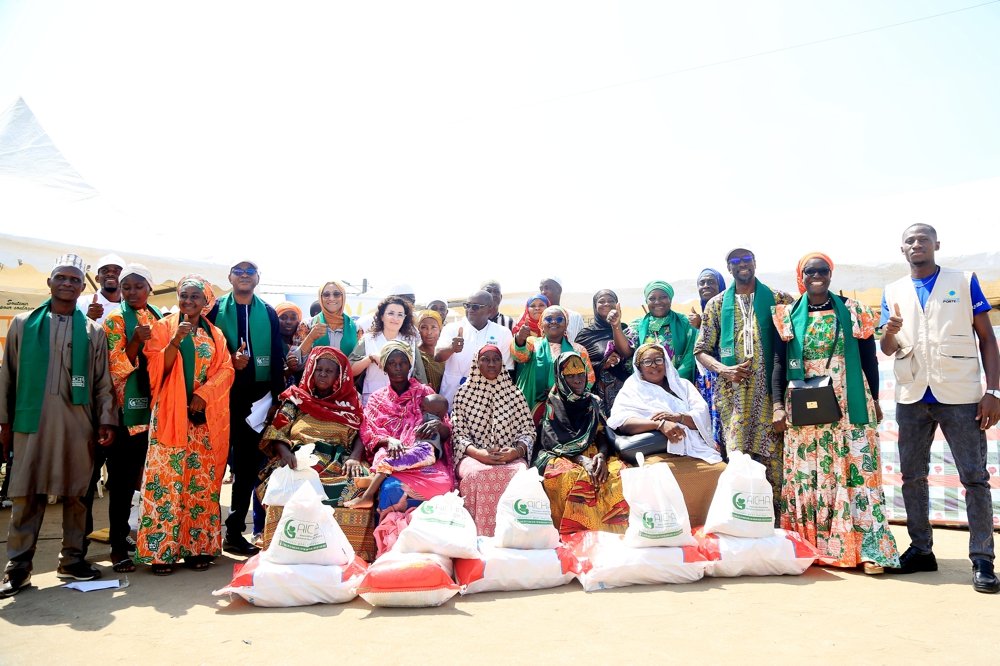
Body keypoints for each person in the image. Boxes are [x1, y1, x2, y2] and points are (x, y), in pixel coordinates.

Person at [879, 224, 999, 593]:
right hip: (913, 395)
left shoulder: (963, 281)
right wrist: (890, 330)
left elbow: (988, 339)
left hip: (961, 395)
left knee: (974, 477)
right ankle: (921, 550)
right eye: (910, 240)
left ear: (936, 245)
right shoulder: (892, 290)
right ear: (902, 249)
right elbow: (886, 348)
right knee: (912, 476)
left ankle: (982, 558)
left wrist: (992, 391)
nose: (917, 245)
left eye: (923, 239)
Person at [771, 253, 899, 574]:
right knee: (811, 475)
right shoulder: (786, 315)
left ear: (831, 274)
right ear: (801, 276)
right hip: (806, 406)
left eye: (823, 270)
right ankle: (810, 547)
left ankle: (869, 550)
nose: (817, 276)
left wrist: (876, 398)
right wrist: (776, 406)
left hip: (850, 402)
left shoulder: (854, 311)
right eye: (810, 271)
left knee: (858, 472)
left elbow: (869, 359)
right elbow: (778, 364)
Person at [0, 254, 116, 596]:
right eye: (61, 278)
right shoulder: (22, 324)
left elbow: (101, 382)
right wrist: (4, 422)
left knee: (77, 493)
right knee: (26, 494)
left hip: (77, 424)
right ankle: (17, 567)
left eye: (74, 280)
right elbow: (7, 376)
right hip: (30, 423)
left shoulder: (92, 331)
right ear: (49, 283)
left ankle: (72, 560)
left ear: (82, 288)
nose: (67, 283)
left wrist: (106, 419)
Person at [134, 275, 234, 575]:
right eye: (184, 296)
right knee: (166, 483)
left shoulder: (215, 334)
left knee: (199, 485)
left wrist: (203, 396)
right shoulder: (163, 327)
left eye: (195, 297)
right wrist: (176, 339)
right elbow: (154, 372)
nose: (188, 302)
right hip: (170, 416)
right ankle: (161, 552)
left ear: (206, 302)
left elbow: (226, 370)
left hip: (202, 421)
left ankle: (197, 548)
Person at [694, 248, 793, 502]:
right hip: (733, 398)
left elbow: (793, 342)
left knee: (774, 464)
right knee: (738, 461)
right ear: (729, 269)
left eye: (746, 259)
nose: (741, 265)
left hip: (772, 396)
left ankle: (775, 528)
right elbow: (701, 350)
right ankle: (742, 526)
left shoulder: (779, 299)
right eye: (735, 262)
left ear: (755, 263)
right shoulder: (716, 305)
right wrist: (723, 369)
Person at [207, 259, 284, 555]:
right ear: (229, 277)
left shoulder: (266, 312)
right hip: (221, 397)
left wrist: (277, 397)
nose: (243, 276)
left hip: (258, 400)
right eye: (238, 272)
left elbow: (276, 354)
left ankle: (235, 532)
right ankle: (203, 533)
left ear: (257, 279)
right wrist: (230, 360)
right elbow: (206, 349)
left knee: (246, 469)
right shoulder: (215, 310)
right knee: (213, 466)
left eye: (249, 272)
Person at [608, 343, 726, 525]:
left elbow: (702, 420)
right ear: (639, 367)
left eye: (658, 360)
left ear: (666, 363)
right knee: (659, 477)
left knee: (720, 471)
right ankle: (672, 528)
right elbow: (622, 422)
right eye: (647, 362)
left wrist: (677, 417)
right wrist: (660, 424)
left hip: (692, 449)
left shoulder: (684, 386)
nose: (654, 365)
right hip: (657, 451)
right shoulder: (632, 389)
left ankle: (707, 525)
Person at [96, 264, 163, 573]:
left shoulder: (160, 319)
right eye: (127, 287)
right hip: (126, 415)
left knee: (151, 482)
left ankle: (152, 541)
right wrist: (135, 340)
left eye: (138, 286)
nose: (132, 292)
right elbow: (117, 367)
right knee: (122, 485)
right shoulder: (115, 320)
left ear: (149, 288)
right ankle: (118, 546)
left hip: (156, 413)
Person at [257, 346, 368, 506]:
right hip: (299, 459)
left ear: (339, 376)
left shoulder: (350, 404)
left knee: (361, 486)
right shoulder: (296, 399)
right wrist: (285, 453)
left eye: (329, 371)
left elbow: (361, 434)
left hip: (338, 461)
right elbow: (276, 432)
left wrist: (355, 458)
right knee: (279, 486)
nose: (323, 374)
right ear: (311, 371)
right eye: (319, 369)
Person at [353, 341, 453, 514]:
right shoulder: (377, 399)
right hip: (392, 453)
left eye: (403, 363)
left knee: (444, 482)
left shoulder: (425, 392)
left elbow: (446, 430)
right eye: (392, 363)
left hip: (425, 457)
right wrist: (389, 440)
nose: (398, 367)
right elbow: (367, 431)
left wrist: (439, 426)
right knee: (390, 485)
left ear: (410, 365)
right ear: (384, 367)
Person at [535, 352, 628, 534]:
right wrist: (582, 461)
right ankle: (574, 535)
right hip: (559, 455)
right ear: (560, 378)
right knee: (569, 478)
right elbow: (553, 442)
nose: (577, 380)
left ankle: (612, 536)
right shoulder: (551, 404)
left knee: (618, 475)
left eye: (580, 375)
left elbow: (602, 433)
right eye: (570, 376)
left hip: (594, 452)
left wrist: (601, 455)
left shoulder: (592, 401)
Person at [451, 345, 535, 536]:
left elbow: (528, 430)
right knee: (477, 475)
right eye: (485, 359)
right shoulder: (463, 394)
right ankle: (478, 536)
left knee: (520, 474)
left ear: (502, 363)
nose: (491, 364)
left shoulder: (514, 394)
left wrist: (517, 451)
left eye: (496, 359)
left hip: (510, 455)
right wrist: (479, 454)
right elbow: (458, 434)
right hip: (473, 455)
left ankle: (516, 536)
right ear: (476, 363)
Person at [512, 304, 595, 421]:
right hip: (530, 400)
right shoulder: (532, 343)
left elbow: (589, 379)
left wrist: (562, 392)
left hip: (565, 407)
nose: (554, 322)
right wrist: (520, 339)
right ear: (541, 324)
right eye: (549, 319)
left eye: (559, 319)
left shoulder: (578, 350)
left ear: (566, 324)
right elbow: (519, 357)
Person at [435, 290, 514, 406]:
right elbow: (437, 357)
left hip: (488, 400)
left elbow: (507, 370)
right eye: (467, 305)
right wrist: (451, 348)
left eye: (476, 307)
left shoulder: (503, 333)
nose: (470, 310)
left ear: (490, 309)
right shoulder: (452, 328)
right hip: (453, 396)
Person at [349, 296, 427, 405]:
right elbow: (350, 370)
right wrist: (370, 358)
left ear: (405, 318)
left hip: (403, 401)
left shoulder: (410, 342)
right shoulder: (368, 339)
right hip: (373, 401)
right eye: (391, 313)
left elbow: (420, 377)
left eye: (400, 314)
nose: (395, 318)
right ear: (381, 316)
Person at [627, 280, 697, 383]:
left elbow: (690, 353)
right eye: (652, 298)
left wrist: (676, 382)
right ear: (646, 301)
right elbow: (627, 352)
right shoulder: (637, 325)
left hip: (678, 383)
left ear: (670, 299)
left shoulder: (684, 323)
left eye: (663, 297)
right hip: (646, 385)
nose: (657, 302)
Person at [689, 268, 727, 455]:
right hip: (705, 379)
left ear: (720, 284)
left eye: (710, 282)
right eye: (701, 283)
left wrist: (701, 324)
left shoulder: (728, 307)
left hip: (724, 374)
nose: (705, 286)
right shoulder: (701, 311)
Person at [575, 289, 631, 414]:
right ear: (595, 306)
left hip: (627, 390)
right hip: (597, 392)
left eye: (611, 301)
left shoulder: (626, 329)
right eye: (601, 301)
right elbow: (577, 364)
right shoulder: (585, 335)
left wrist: (616, 326)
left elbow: (630, 354)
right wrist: (602, 364)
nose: (606, 304)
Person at [295, 280, 359, 363]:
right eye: (326, 294)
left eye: (336, 294)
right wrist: (310, 338)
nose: (331, 298)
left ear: (343, 297)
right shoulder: (307, 325)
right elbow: (295, 363)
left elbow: (359, 359)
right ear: (320, 298)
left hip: (347, 375)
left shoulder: (356, 327)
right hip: (315, 375)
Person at [77, 253, 126, 325]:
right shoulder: (81, 302)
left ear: (124, 278)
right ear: (97, 278)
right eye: (105, 271)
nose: (110, 274)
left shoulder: (130, 307)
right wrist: (89, 319)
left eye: (117, 271)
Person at [539, 277, 584, 343]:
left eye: (547, 288)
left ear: (558, 290)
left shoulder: (575, 317)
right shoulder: (535, 316)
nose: (543, 292)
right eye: (541, 289)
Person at [274, 301, 303, 387]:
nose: (289, 322)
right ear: (275, 319)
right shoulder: (271, 343)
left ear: (299, 321)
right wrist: (288, 369)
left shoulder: (305, 343)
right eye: (283, 317)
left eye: (293, 318)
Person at [416, 310, 445, 392]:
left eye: (434, 327)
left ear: (440, 329)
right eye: (424, 327)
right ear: (419, 330)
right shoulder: (415, 354)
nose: (429, 332)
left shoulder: (447, 351)